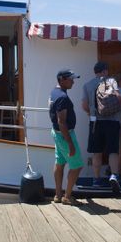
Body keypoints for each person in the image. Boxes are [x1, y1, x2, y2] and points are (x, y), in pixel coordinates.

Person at [82, 61, 121, 192]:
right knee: (113, 151)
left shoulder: (88, 85)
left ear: (95, 72)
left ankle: (96, 180)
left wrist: (91, 112)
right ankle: (114, 176)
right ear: (105, 71)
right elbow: (118, 97)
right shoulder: (112, 82)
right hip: (112, 121)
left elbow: (84, 104)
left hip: (95, 122)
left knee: (97, 151)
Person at [49, 69, 84, 205]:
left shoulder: (54, 92)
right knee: (77, 166)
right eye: (71, 79)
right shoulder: (62, 97)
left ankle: (58, 195)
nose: (73, 82)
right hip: (65, 135)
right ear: (62, 80)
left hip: (57, 134)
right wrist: (70, 144)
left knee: (60, 162)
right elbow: (61, 121)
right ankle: (67, 197)